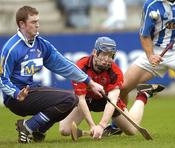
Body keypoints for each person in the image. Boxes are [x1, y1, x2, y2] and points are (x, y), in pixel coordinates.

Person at [0, 6, 104, 144]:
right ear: (21, 24)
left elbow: (64, 65)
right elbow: (2, 79)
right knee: (69, 98)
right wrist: (16, 93)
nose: (37, 25)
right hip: (15, 98)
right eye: (33, 22)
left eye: (38, 21)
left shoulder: (41, 44)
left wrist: (89, 82)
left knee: (70, 101)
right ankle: (29, 127)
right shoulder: (11, 48)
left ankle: (37, 132)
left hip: (30, 91)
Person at [59, 36, 164, 140]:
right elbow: (81, 99)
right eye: (104, 54)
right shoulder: (81, 67)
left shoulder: (116, 72)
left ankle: (143, 95)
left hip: (107, 100)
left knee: (131, 131)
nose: (107, 60)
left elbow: (112, 101)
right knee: (64, 130)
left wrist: (101, 126)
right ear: (95, 52)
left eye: (110, 56)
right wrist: (92, 126)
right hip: (86, 100)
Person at [120, 0, 175, 104]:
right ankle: (118, 120)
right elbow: (144, 34)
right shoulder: (151, 5)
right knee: (122, 88)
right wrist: (150, 55)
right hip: (155, 51)